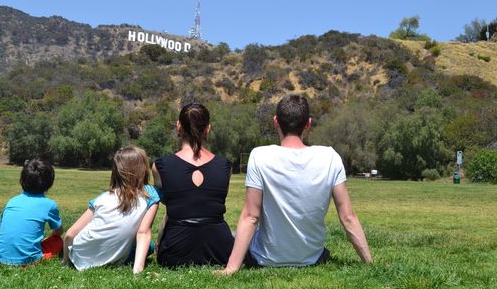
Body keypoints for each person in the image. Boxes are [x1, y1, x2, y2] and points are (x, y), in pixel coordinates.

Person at [217, 94, 372, 275]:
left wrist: (231, 268)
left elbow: (251, 217)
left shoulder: (260, 156)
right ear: (308, 123)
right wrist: (369, 263)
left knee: (235, 235)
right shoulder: (330, 157)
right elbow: (348, 218)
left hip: (266, 259)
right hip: (312, 257)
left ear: (276, 122)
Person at [153, 103, 234, 267]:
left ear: (178, 126)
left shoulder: (161, 166)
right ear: (208, 129)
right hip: (220, 250)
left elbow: (171, 202)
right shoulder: (225, 166)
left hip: (175, 252)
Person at [63, 146, 160, 273]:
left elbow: (69, 235)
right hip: (114, 257)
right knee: (150, 246)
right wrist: (138, 270)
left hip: (79, 257)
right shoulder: (150, 195)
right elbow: (143, 233)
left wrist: (65, 262)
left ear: (116, 170)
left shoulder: (102, 198)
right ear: (143, 169)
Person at [0, 159, 63, 265]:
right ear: (49, 182)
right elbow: (58, 231)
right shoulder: (49, 204)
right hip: (29, 261)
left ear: (22, 180)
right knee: (58, 241)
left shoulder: (12, 201)